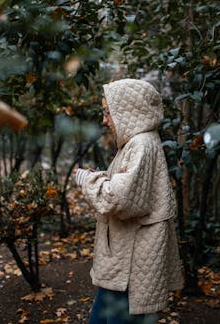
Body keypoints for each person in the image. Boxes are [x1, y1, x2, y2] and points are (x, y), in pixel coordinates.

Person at [74, 79, 183, 324]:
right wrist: (100, 177)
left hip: (132, 262)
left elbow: (120, 201)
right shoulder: (137, 143)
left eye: (107, 112)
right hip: (127, 257)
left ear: (126, 109)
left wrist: (87, 181)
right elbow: (129, 187)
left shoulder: (141, 144)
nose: (104, 120)